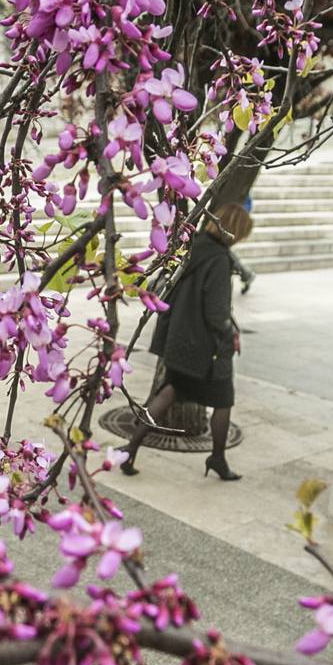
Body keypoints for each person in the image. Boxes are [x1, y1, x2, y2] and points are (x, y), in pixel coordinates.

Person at [121, 203, 253, 480]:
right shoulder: (218, 259)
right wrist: (230, 335)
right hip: (206, 349)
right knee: (223, 399)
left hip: (180, 341)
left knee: (168, 392)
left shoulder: (193, 249)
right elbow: (216, 314)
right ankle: (217, 458)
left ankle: (130, 448)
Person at [228, 194, 257, 294]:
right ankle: (246, 274)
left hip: (232, 221)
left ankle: (245, 274)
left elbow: (246, 205)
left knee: (223, 251)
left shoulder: (241, 187)